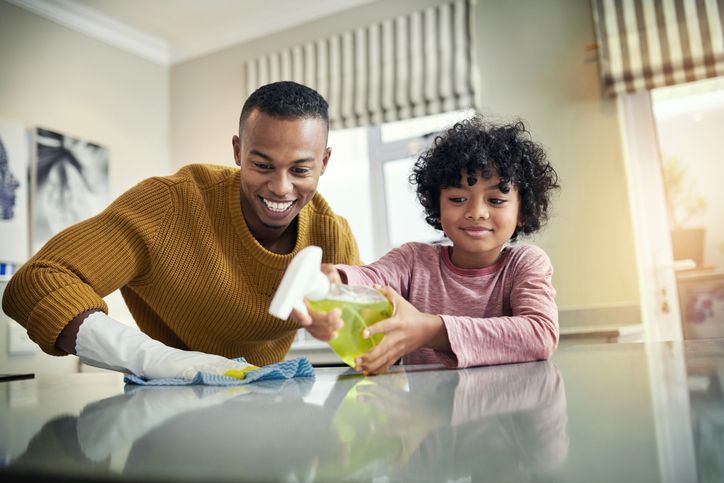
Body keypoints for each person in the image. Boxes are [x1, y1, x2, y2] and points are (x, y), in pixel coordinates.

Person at [2, 81, 361, 379]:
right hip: (167, 407)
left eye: (300, 170)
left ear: (324, 162)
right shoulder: (170, 204)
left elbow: (366, 345)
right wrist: (159, 360)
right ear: (238, 152)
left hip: (271, 407)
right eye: (262, 165)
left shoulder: (333, 237)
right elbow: (35, 281)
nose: (281, 188)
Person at [295, 116, 560, 375]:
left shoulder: (525, 263)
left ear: (523, 211)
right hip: (425, 417)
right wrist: (336, 280)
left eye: (496, 200)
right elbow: (372, 277)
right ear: (437, 209)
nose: (476, 212)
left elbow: (540, 334)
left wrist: (428, 330)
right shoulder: (414, 260)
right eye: (457, 198)